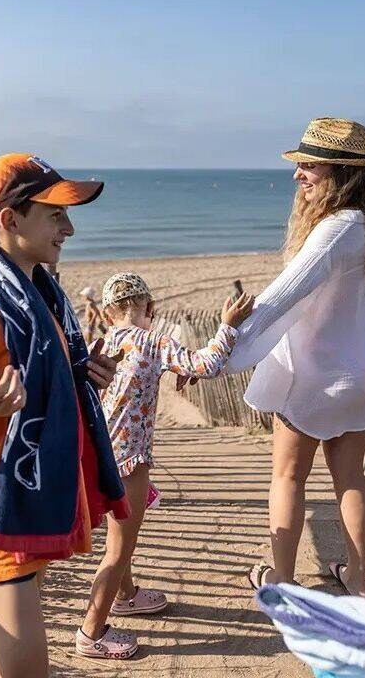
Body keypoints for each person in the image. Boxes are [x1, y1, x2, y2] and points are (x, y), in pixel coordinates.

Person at [0, 154, 129, 678]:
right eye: (55, 213)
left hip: (26, 503)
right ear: (10, 220)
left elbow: (45, 380)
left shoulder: (43, 296)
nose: (70, 227)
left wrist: (82, 372)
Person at [226, 117, 365, 598]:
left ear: (339, 172)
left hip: (319, 375)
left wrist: (225, 343)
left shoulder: (333, 230)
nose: (298, 174)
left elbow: (282, 295)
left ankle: (282, 583)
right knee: (350, 478)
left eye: (309, 166)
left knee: (287, 476)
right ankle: (359, 583)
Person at [79, 272, 254, 658]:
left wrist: (177, 370)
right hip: (131, 461)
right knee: (119, 548)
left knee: (118, 535)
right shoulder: (154, 341)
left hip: (100, 456)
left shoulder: (101, 343)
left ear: (108, 315)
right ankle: (91, 633)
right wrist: (227, 327)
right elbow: (207, 364)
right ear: (151, 309)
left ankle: (126, 596)